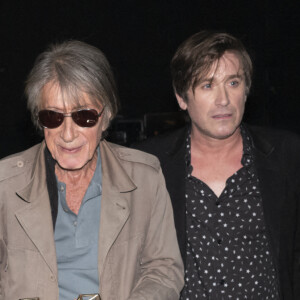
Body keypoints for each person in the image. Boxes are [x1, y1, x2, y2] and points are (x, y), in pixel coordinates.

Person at [0, 40, 184, 300]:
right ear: (39, 121)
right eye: (52, 117)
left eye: (84, 116)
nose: (67, 134)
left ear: (106, 116)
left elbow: (164, 270)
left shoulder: (144, 178)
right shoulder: (5, 184)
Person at [134, 31, 300, 299]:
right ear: (182, 98)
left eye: (233, 83)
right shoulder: (148, 165)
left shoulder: (287, 155)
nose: (223, 99)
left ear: (246, 90)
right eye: (207, 85)